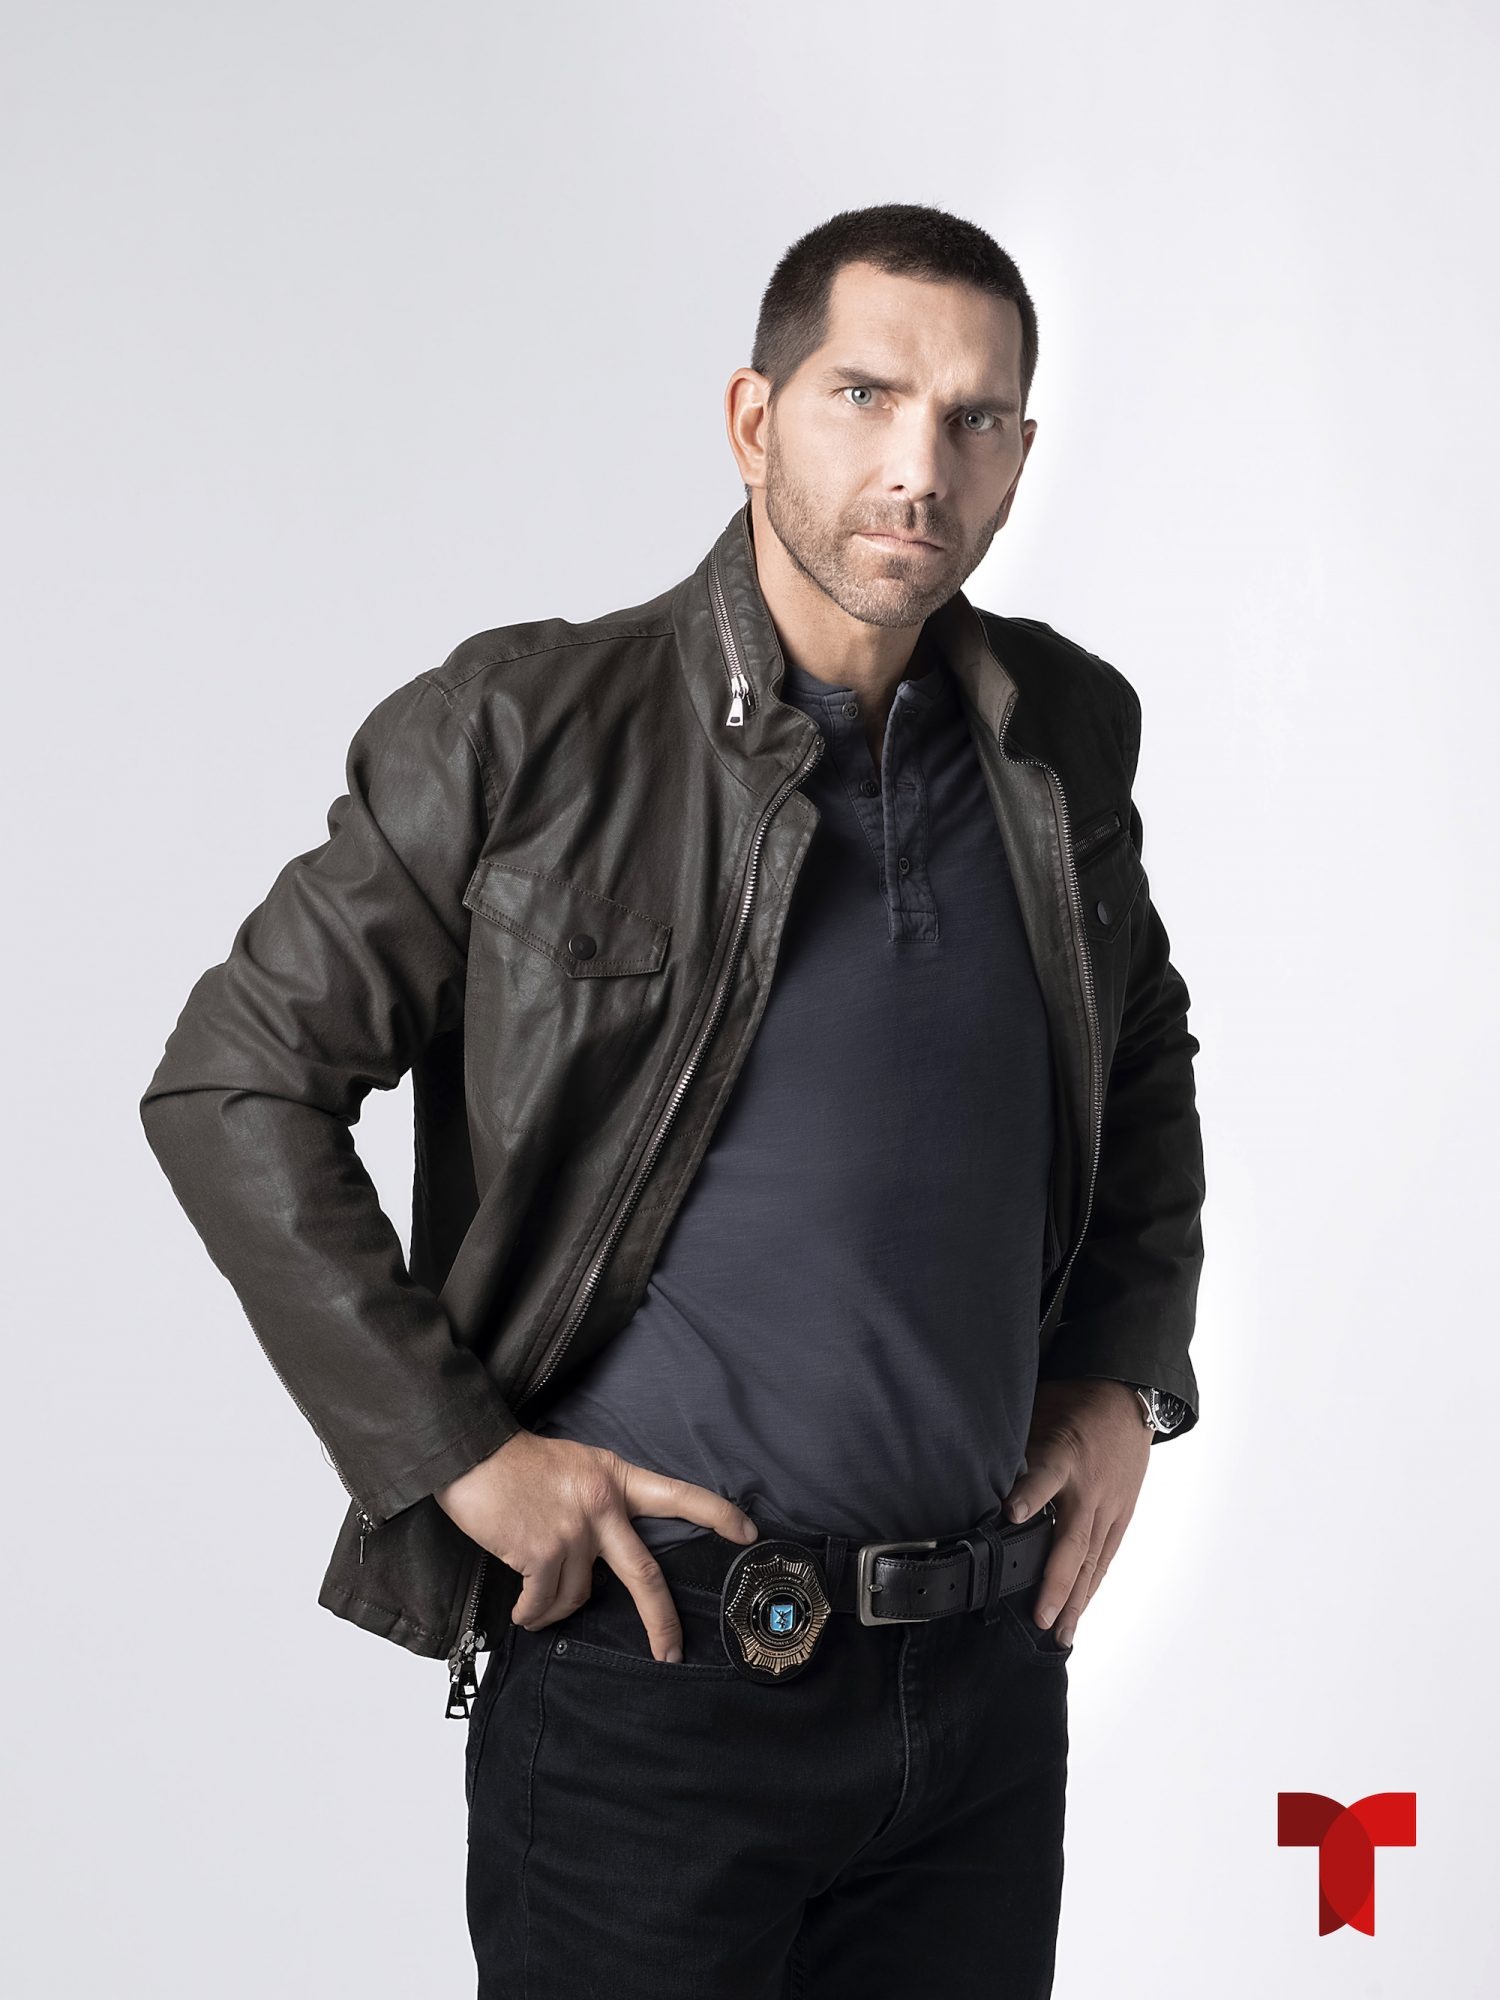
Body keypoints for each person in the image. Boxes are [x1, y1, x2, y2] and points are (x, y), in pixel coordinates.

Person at [141, 201, 1206, 1999]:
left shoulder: (1063, 737)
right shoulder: (525, 732)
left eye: (973, 419)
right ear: (751, 418)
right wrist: (458, 1454)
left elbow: (1142, 1047)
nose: (918, 465)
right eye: (865, 396)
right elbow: (235, 1080)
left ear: (1020, 459)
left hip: (982, 1677)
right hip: (653, 1688)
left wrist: (1121, 1368)